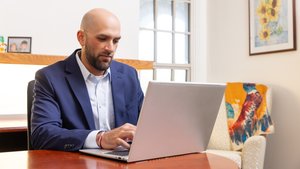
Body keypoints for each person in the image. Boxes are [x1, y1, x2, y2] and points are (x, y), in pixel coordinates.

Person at [31, 8, 144, 151]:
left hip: (125, 161)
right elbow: (42, 134)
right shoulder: (50, 78)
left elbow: (148, 124)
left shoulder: (130, 75)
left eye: (116, 41)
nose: (110, 48)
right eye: (102, 39)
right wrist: (100, 138)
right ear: (81, 38)